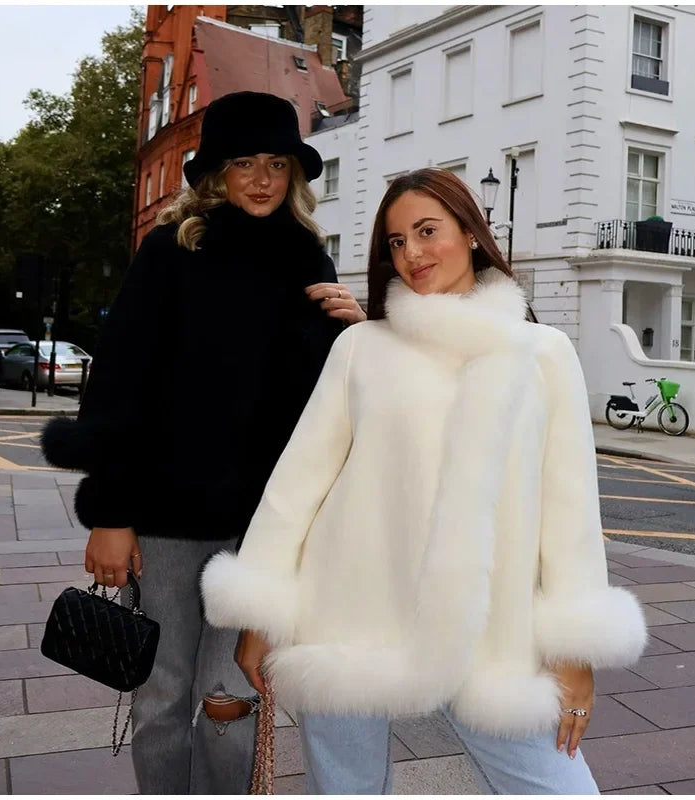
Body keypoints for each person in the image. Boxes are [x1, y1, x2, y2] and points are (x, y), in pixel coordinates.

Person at [201, 168, 648, 794]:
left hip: (490, 636)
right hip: (345, 617)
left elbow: (569, 514)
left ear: (470, 233)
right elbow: (295, 487)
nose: (411, 252)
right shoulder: (360, 347)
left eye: (427, 231)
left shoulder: (542, 352)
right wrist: (260, 614)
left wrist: (575, 654)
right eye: (396, 241)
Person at [40, 91, 365, 795]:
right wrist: (110, 513)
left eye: (276, 163)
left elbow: (332, 407)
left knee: (231, 696)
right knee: (161, 694)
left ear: (294, 174)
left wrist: (357, 334)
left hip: (264, 530)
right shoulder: (170, 251)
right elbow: (118, 388)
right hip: (165, 521)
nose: (262, 179)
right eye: (244, 162)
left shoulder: (309, 260)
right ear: (217, 172)